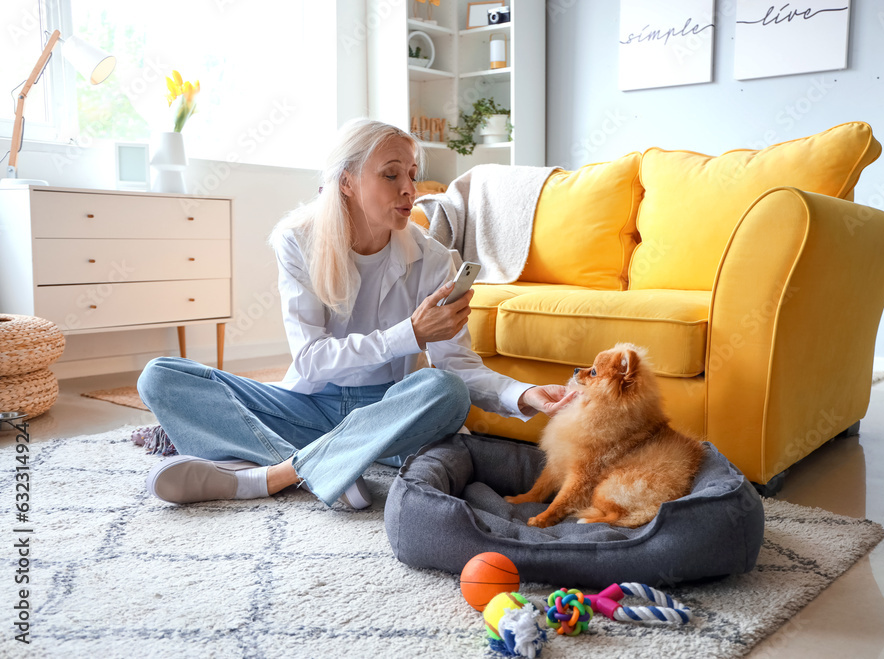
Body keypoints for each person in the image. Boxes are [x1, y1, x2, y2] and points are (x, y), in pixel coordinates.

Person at [137, 118, 576, 509]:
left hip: (388, 409)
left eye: (412, 175)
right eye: (391, 175)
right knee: (160, 376)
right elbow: (310, 359)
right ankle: (332, 464)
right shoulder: (297, 242)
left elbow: (457, 367)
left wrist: (524, 393)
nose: (411, 189)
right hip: (308, 404)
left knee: (445, 391)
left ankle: (272, 474)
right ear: (346, 182)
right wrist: (410, 333)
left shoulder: (434, 259)